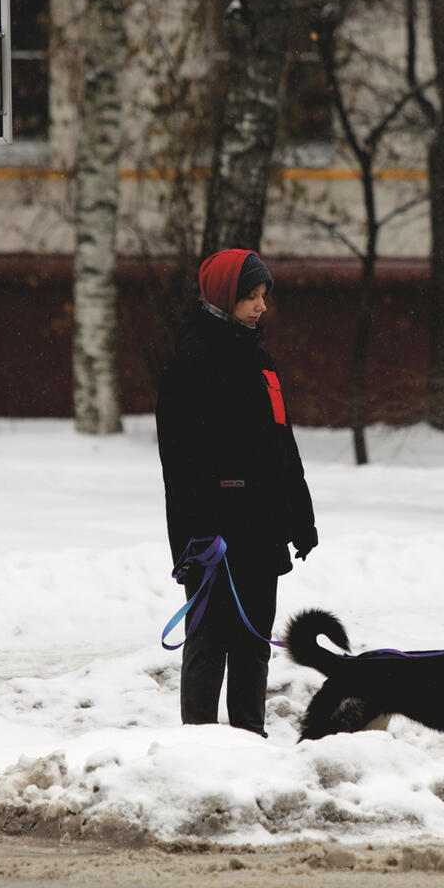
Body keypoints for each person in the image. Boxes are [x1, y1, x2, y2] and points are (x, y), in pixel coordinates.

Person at [155, 249, 318, 736]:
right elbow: (179, 462)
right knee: (207, 645)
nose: (261, 306)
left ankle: (250, 740)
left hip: (262, 532)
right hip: (214, 536)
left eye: (264, 296)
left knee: (252, 646)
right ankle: (199, 746)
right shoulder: (191, 361)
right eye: (251, 296)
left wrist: (300, 518)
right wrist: (194, 533)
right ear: (225, 297)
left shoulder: (262, 362)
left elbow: (281, 445)